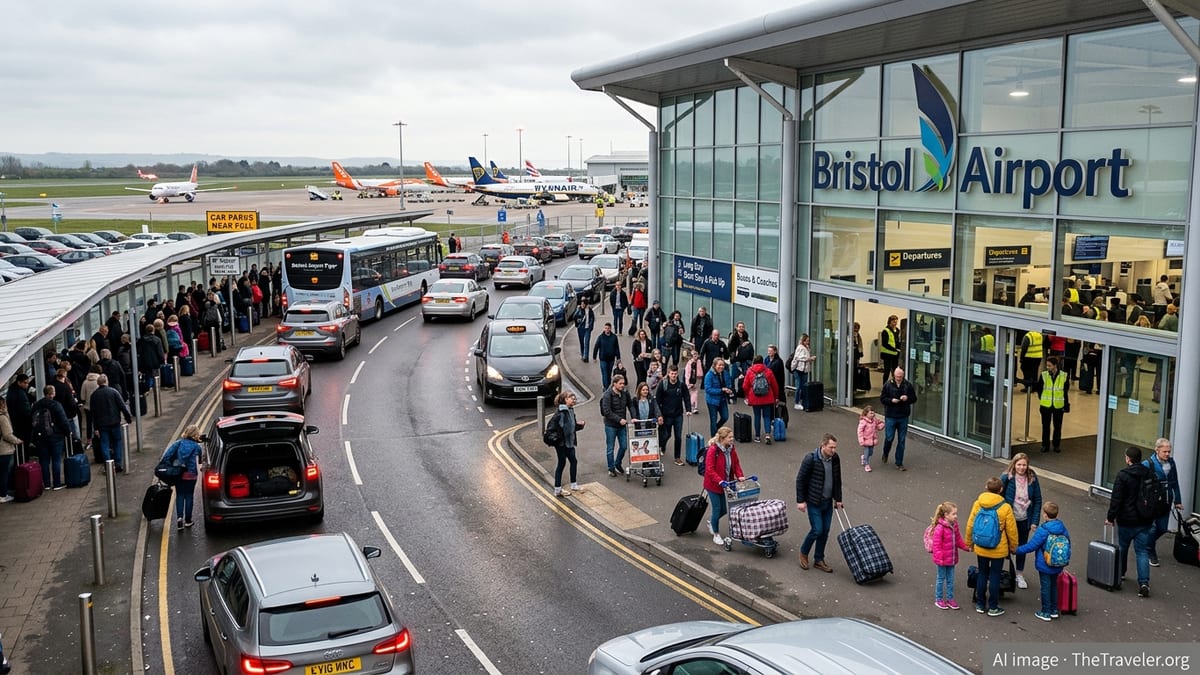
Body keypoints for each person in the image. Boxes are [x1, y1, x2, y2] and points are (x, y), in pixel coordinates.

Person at [965, 477, 1019, 616]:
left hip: (981, 546)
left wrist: (969, 542)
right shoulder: (1005, 507)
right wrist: (1014, 546)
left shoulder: (978, 504)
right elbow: (1011, 530)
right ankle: (993, 607)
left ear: (986, 487)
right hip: (998, 548)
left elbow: (971, 524)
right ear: (1001, 490)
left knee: (982, 573)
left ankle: (980, 604)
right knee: (995, 575)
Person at [1107, 447, 1156, 597]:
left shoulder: (1123, 475)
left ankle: (1120, 574)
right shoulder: (1148, 473)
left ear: (1128, 459)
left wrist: (1110, 517)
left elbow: (1116, 500)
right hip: (1144, 520)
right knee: (1142, 552)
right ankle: (1143, 583)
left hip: (1127, 520)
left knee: (1123, 547)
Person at [1015, 502, 1071, 621]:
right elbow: (1068, 543)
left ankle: (1045, 612)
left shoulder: (1044, 530)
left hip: (1045, 563)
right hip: (1058, 562)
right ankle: (1054, 610)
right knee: (1054, 585)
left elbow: (1032, 546)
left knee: (1045, 587)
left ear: (1045, 515)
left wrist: (1017, 550)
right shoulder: (1062, 528)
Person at [795, 433, 843, 573]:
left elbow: (837, 480)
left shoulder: (835, 459)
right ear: (823, 445)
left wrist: (838, 499)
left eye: (835, 448)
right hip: (814, 501)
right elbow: (800, 480)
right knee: (817, 529)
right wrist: (801, 501)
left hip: (827, 502)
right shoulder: (810, 459)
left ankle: (819, 559)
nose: (833, 451)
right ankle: (804, 552)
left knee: (825, 531)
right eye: (831, 447)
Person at [1000, 453, 1042, 590]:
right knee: (1004, 546)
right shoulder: (1006, 477)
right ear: (1014, 464)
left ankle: (1019, 574)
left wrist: (1035, 521)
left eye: (1024, 465)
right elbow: (999, 497)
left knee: (1021, 547)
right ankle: (1000, 572)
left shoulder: (1032, 478)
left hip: (1025, 519)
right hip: (1009, 519)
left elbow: (1037, 500)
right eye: (1019, 464)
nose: (1022, 467)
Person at [1142, 438, 1183, 567]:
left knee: (1162, 528)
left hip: (1166, 501)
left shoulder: (1171, 463)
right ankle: (1150, 551)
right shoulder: (1148, 464)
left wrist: (1177, 500)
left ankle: (1147, 544)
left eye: (1169, 451)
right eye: (1164, 451)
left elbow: (1175, 482)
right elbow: (1140, 483)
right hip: (1152, 502)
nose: (1167, 454)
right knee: (1153, 528)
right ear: (1157, 450)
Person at [703, 426, 745, 546]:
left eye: (732, 437)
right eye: (730, 437)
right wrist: (720, 481)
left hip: (727, 482)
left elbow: (736, 463)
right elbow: (709, 470)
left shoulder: (731, 449)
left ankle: (711, 521)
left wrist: (740, 475)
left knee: (724, 510)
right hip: (713, 484)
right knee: (717, 509)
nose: (732, 439)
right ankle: (716, 534)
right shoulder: (713, 450)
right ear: (722, 438)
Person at [927, 501, 971, 610]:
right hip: (942, 559)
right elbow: (936, 546)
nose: (956, 516)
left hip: (951, 558)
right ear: (946, 515)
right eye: (954, 514)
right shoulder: (940, 528)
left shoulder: (954, 525)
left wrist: (966, 547)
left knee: (951, 579)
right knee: (941, 578)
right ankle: (939, 599)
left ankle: (950, 599)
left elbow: (958, 539)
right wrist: (939, 559)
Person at [87, 375, 133, 473]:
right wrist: (128, 418)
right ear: (106, 381)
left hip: (102, 424)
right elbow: (122, 406)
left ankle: (108, 465)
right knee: (117, 442)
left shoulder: (94, 395)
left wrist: (95, 428)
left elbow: (93, 413)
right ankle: (118, 464)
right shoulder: (113, 392)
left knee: (104, 444)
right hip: (115, 422)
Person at [161, 425, 203, 530]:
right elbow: (201, 460)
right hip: (191, 475)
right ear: (195, 435)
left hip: (179, 474)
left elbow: (166, 456)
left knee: (180, 495)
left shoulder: (178, 443)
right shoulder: (196, 446)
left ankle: (179, 519)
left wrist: (171, 467)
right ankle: (188, 521)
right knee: (189, 496)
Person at [31, 385, 72, 491]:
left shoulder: (37, 405)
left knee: (44, 460)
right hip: (55, 436)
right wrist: (68, 432)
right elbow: (63, 420)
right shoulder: (56, 405)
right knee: (56, 460)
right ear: (52, 393)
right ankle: (57, 483)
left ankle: (47, 484)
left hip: (41, 437)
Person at [879, 367, 917, 470]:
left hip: (903, 416)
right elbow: (882, 399)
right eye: (897, 376)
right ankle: (885, 452)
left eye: (900, 377)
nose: (899, 378)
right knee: (889, 437)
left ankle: (899, 462)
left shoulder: (907, 385)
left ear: (903, 376)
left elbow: (914, 398)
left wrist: (907, 398)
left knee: (902, 440)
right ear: (894, 375)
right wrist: (891, 400)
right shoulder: (888, 385)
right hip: (891, 415)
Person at [549, 391, 585, 497]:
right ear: (565, 400)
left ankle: (574, 485)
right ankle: (557, 489)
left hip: (569, 442)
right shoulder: (562, 412)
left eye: (574, 397)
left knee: (573, 461)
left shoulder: (570, 410)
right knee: (561, 463)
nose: (574, 399)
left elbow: (570, 427)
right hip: (562, 443)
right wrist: (574, 426)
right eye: (571, 397)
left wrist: (579, 425)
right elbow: (564, 428)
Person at [656, 364, 693, 466]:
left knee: (678, 437)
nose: (674, 376)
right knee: (666, 435)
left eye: (675, 374)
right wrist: (659, 415)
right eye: (672, 374)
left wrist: (688, 409)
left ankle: (677, 457)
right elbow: (657, 401)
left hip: (678, 415)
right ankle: (662, 446)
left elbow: (686, 397)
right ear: (668, 373)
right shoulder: (663, 384)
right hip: (666, 415)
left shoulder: (681, 385)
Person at [1034, 357, 1069, 454]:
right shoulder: (1044, 375)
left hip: (1058, 405)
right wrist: (1042, 397)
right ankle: (1045, 445)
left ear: (1055, 366)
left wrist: (1066, 404)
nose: (1047, 367)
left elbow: (1065, 391)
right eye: (1047, 365)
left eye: (1049, 365)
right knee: (1045, 426)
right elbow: (1039, 388)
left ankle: (1056, 445)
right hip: (1046, 405)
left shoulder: (1064, 376)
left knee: (1057, 427)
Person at [599, 375, 631, 477]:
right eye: (620, 383)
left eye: (623, 383)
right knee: (610, 448)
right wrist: (619, 419)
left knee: (624, 446)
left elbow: (630, 405)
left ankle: (617, 463)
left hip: (621, 425)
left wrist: (634, 417)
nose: (622, 385)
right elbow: (607, 412)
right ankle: (611, 468)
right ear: (614, 384)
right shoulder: (607, 395)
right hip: (611, 426)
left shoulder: (625, 393)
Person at [743, 355, 778, 443]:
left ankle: (757, 436)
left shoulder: (750, 371)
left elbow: (745, 386)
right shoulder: (768, 371)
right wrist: (776, 396)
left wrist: (747, 396)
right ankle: (767, 435)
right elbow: (775, 385)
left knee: (757, 416)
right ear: (762, 362)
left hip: (755, 397)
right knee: (767, 416)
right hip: (767, 397)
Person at [703, 358, 733, 437]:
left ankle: (716, 429)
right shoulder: (709, 375)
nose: (721, 367)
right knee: (713, 419)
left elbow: (729, 382)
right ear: (714, 365)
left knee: (725, 417)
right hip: (712, 401)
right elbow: (708, 389)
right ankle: (713, 437)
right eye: (719, 365)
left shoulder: (725, 373)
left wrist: (729, 388)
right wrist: (721, 390)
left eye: (723, 365)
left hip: (722, 399)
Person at [0, 398, 20, 503]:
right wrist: (17, 441)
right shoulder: (2, 417)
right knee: (4, 473)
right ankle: (3, 495)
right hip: (4, 449)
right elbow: (7, 434)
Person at [4, 374, 33, 446]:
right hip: (22, 423)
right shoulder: (20, 393)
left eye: (28, 383)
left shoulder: (12, 390)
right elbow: (25, 410)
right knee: (24, 441)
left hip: (15, 421)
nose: (27, 385)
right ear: (19, 382)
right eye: (25, 383)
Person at [789, 333, 815, 411]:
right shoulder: (800, 347)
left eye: (808, 341)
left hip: (804, 369)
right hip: (798, 369)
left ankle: (803, 401)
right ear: (803, 341)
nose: (808, 342)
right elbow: (799, 357)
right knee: (799, 386)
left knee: (803, 386)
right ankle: (796, 402)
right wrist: (810, 358)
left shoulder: (807, 347)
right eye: (807, 340)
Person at [592, 323, 621, 391]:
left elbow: (617, 348)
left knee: (609, 373)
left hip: (611, 358)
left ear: (610, 329)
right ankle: (606, 387)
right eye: (606, 328)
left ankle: (608, 385)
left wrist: (618, 358)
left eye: (608, 328)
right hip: (603, 358)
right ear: (604, 329)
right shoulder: (601, 337)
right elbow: (596, 346)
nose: (607, 330)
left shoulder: (614, 337)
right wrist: (594, 357)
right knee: (604, 373)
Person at [857, 405, 885, 472]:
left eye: (873, 413)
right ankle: (866, 464)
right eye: (871, 413)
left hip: (872, 440)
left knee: (870, 453)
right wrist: (861, 440)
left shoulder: (874, 420)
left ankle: (863, 457)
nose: (872, 415)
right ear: (866, 413)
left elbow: (878, 425)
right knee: (867, 452)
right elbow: (859, 431)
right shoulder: (863, 422)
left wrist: (882, 425)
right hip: (866, 440)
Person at [727, 322, 753, 387]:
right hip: (736, 359)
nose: (741, 328)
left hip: (744, 359)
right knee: (733, 375)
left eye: (742, 327)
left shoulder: (746, 335)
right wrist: (738, 349)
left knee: (744, 375)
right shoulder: (733, 336)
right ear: (736, 328)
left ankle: (741, 390)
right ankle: (732, 389)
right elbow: (730, 348)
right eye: (740, 327)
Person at [879, 315, 901, 388]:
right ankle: (885, 386)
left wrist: (899, 349)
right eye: (893, 321)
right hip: (887, 353)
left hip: (895, 354)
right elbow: (885, 343)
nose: (895, 323)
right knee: (887, 371)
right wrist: (895, 349)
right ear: (889, 322)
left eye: (896, 321)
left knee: (895, 370)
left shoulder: (897, 330)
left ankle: (895, 384)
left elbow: (897, 341)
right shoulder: (885, 331)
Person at [573, 298, 595, 362]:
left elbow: (592, 318)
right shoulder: (579, 310)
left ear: (586, 304)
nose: (582, 305)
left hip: (587, 328)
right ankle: (583, 355)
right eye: (581, 304)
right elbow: (574, 317)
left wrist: (590, 327)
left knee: (586, 343)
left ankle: (586, 357)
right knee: (582, 342)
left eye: (583, 304)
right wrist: (578, 310)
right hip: (580, 328)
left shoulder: (589, 310)